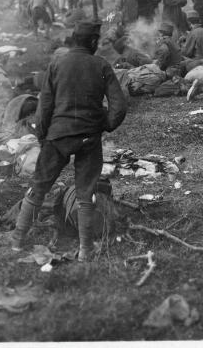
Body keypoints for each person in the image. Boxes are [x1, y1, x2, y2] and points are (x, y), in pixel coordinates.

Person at [10, 20, 127, 261]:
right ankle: (85, 250)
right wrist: (104, 124)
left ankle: (17, 241)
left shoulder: (57, 64)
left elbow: (44, 108)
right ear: (93, 42)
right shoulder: (101, 65)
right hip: (88, 137)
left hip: (58, 136)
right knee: (85, 194)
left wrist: (44, 136)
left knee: (39, 187)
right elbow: (119, 106)